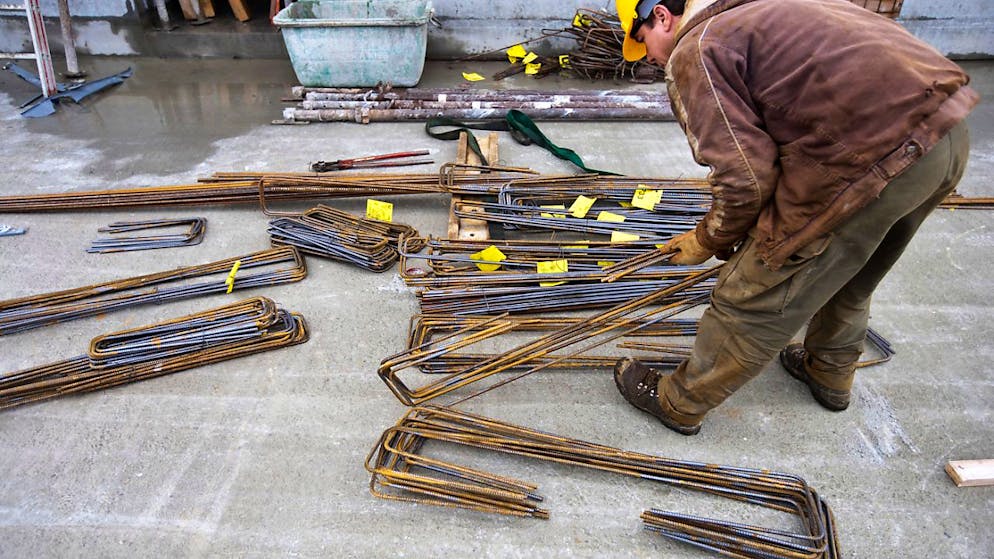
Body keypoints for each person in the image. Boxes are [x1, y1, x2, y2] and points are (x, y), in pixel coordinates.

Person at [612, 0, 978, 435]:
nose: (651, 57)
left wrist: (708, 238)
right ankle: (828, 370)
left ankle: (680, 401)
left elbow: (745, 179)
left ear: (660, 16)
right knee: (852, 268)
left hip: (873, 154)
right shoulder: (759, 8)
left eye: (641, 42)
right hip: (945, 133)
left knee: (753, 289)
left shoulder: (699, 47)